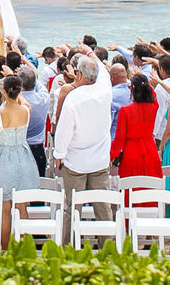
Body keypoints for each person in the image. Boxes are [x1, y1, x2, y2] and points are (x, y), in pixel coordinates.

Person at [52, 44, 111, 245]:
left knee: (71, 208)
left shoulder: (73, 99)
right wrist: (89, 52)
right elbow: (103, 70)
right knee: (103, 208)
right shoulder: (105, 89)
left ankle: (69, 248)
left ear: (77, 74)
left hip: (75, 161)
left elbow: (64, 132)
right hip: (100, 160)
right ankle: (108, 250)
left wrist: (58, 155)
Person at [0, 73, 39, 248]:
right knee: (22, 208)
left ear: (4, 92)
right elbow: (24, 102)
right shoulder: (26, 111)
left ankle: (4, 249)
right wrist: (18, 92)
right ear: (19, 91)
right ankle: (24, 249)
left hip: (3, 159)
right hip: (24, 159)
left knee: (4, 210)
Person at [110, 73, 162, 182]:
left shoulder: (125, 111)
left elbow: (119, 140)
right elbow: (154, 97)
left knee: (131, 189)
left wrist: (112, 155)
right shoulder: (153, 107)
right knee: (151, 188)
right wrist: (146, 84)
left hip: (131, 153)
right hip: (150, 151)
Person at [18, 64, 49, 177]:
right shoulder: (44, 98)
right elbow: (40, 85)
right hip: (38, 149)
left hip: (20, 149)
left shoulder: (14, 103)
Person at [109, 63, 131, 139]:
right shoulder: (135, 90)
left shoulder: (111, 95)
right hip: (130, 139)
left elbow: (108, 122)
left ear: (111, 77)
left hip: (114, 139)